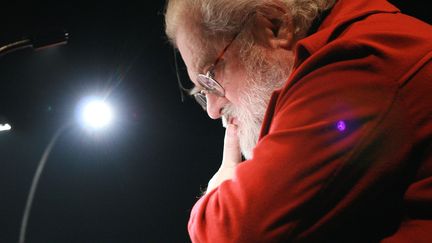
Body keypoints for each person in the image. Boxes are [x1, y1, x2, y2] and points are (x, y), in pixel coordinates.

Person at [164, 0, 432, 242]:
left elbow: (236, 232)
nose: (212, 109)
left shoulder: (358, 63)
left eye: (210, 77)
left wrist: (219, 193)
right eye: (202, 92)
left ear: (274, 27)